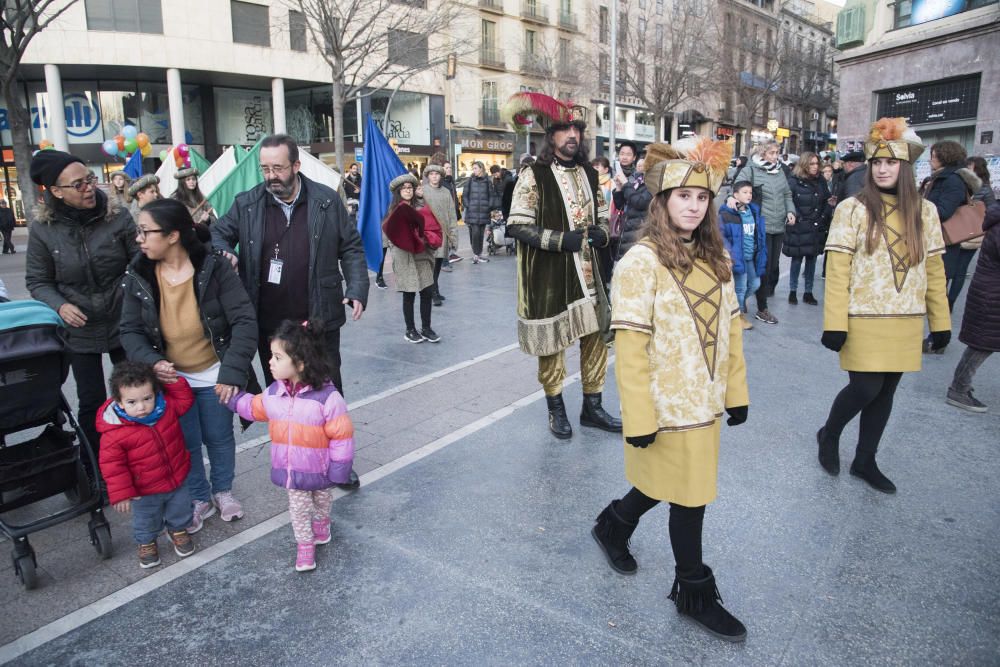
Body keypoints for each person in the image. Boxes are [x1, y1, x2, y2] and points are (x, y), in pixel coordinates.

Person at [594, 138, 749, 643]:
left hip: (704, 402)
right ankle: (694, 591)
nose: (692, 205)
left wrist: (737, 392)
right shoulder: (640, 261)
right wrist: (638, 416)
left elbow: (730, 330)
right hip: (663, 406)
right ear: (662, 201)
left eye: (701, 198)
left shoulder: (716, 257)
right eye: (683, 196)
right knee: (690, 496)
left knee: (669, 481)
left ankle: (613, 524)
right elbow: (631, 348)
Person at [818, 117, 950, 494]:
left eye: (890, 162)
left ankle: (865, 460)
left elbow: (935, 269)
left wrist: (940, 321)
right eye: (877, 162)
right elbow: (838, 270)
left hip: (906, 319)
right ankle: (829, 435)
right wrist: (835, 322)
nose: (882, 168)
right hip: (863, 318)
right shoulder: (851, 209)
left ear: (905, 168)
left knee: (887, 391)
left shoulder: (926, 213)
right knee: (864, 389)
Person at [120, 198, 258, 530]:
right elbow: (129, 329)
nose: (139, 239)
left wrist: (231, 373)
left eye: (145, 231)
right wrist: (153, 362)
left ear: (172, 235)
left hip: (215, 374)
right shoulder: (138, 274)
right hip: (171, 379)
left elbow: (243, 321)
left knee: (220, 436)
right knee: (186, 442)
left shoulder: (215, 267)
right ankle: (199, 498)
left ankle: (223, 491)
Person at [211, 133, 369, 397]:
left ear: (296, 166)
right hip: (269, 323)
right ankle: (288, 438)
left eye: (278, 168)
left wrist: (356, 288)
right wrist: (226, 252)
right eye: (265, 169)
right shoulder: (247, 204)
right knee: (281, 391)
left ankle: (331, 437)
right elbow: (218, 234)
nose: (271, 175)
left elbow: (351, 247)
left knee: (326, 388)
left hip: (317, 319)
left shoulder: (326, 201)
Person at [504, 94, 621, 439]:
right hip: (551, 276)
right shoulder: (533, 175)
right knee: (553, 346)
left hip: (589, 276)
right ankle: (556, 409)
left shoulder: (589, 172)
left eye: (576, 129)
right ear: (550, 136)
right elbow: (517, 225)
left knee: (596, 339)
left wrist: (601, 232)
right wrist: (560, 240)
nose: (572, 135)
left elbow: (601, 214)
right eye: (564, 129)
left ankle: (592, 407)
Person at [26, 149, 138, 485]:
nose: (89, 188)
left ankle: (139, 458)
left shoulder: (117, 216)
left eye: (90, 179)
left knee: (134, 393)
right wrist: (59, 304)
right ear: (56, 191)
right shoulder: (44, 229)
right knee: (91, 402)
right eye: (78, 184)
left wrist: (127, 288)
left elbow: (140, 260)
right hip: (80, 328)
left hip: (124, 319)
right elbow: (38, 281)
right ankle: (97, 468)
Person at [228, 319, 355, 572]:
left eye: (277, 357)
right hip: (292, 471)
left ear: (300, 363)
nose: (270, 362)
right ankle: (305, 547)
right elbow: (254, 407)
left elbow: (342, 437)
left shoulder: (328, 398)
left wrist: (339, 471)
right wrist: (232, 398)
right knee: (298, 509)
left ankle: (322, 526)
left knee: (322, 500)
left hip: (320, 469)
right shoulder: (274, 393)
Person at [97, 361, 196, 568]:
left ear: (155, 394)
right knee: (146, 518)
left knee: (180, 508)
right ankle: (146, 542)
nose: (141, 407)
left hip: (176, 476)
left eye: (147, 398)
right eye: (132, 402)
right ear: (119, 402)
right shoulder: (114, 432)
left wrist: (174, 381)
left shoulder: (165, 408)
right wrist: (121, 493)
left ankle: (178, 530)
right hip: (143, 489)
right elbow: (112, 466)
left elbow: (185, 400)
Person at [946, 200, 1000, 412]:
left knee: (983, 344)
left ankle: (959, 387)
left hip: (990, 292)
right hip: (992, 295)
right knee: (982, 345)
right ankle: (959, 389)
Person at [735, 141, 795, 324]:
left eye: (777, 153)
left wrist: (790, 211)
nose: (775, 156)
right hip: (761, 226)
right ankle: (761, 307)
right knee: (762, 267)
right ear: (762, 154)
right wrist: (733, 199)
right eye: (771, 153)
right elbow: (737, 188)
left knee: (771, 267)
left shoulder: (779, 171)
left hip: (779, 226)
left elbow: (787, 194)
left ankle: (748, 300)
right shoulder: (751, 170)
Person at [921, 141, 982, 314]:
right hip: (935, 239)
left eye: (933, 156)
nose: (930, 160)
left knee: (938, 291)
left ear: (944, 157)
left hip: (944, 241)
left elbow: (944, 211)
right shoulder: (938, 178)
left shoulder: (952, 180)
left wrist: (920, 207)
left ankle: (938, 334)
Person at [383, 174, 441, 343]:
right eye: (404, 188)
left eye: (410, 188)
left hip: (422, 254)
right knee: (409, 294)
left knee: (426, 291)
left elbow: (434, 221)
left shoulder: (421, 205)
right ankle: (410, 330)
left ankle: (427, 328)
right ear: (398, 192)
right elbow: (391, 233)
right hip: (405, 256)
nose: (408, 191)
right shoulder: (394, 211)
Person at [784, 151, 832, 306]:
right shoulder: (794, 180)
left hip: (815, 226)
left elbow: (826, 200)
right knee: (797, 259)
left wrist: (822, 218)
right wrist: (795, 216)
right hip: (799, 225)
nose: (815, 167)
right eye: (811, 163)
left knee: (811, 260)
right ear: (804, 164)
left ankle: (808, 292)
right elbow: (788, 200)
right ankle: (793, 291)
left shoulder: (821, 181)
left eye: (817, 163)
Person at [720, 180, 767, 330]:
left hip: (750, 256)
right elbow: (722, 236)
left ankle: (733, 306)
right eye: (745, 192)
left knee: (754, 284)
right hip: (738, 257)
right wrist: (731, 253)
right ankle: (738, 317)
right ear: (735, 195)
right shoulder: (727, 212)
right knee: (740, 288)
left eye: (750, 192)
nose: (749, 195)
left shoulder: (753, 210)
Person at [422, 165, 459, 306]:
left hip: (442, 233)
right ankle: (432, 291)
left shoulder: (445, 192)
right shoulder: (423, 191)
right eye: (431, 174)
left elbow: (451, 214)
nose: (434, 176)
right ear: (428, 176)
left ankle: (435, 289)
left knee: (437, 264)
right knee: (430, 264)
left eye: (437, 174)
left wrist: (453, 234)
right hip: (428, 233)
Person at [462, 161, 495, 263]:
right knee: (475, 233)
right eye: (473, 168)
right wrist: (468, 205)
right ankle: (476, 254)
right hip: (473, 212)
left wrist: (489, 206)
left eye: (475, 168)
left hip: (484, 212)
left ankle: (478, 254)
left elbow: (492, 195)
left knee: (480, 234)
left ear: (481, 168)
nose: (474, 170)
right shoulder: (470, 181)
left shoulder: (488, 181)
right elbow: (465, 195)